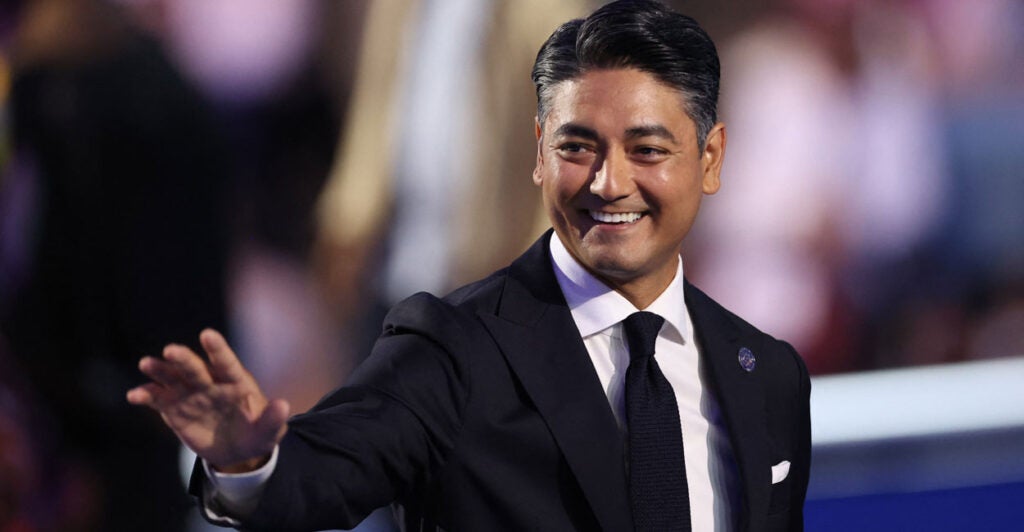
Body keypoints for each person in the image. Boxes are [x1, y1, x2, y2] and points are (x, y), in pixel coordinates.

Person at [128, 1, 811, 530]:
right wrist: (251, 463)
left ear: (711, 159)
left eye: (648, 150)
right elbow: (325, 474)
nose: (609, 182)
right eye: (578, 147)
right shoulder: (450, 352)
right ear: (540, 155)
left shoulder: (768, 375)